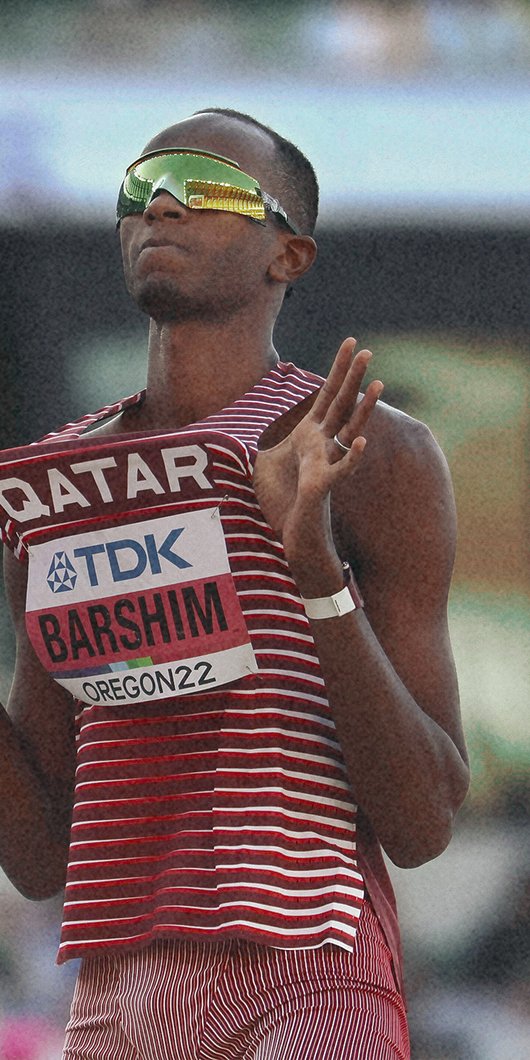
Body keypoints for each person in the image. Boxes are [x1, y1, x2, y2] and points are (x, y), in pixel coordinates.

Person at [0, 108, 469, 1059]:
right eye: (139, 189)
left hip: (308, 970)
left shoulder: (370, 455)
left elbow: (421, 823)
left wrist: (311, 573)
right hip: (113, 993)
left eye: (204, 187)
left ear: (287, 255)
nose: (161, 203)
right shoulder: (58, 486)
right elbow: (41, 856)